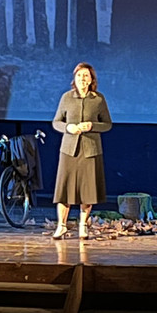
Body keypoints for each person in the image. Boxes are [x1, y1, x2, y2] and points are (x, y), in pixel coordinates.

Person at [51, 62, 112, 240]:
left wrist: (92, 125)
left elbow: (107, 124)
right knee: (64, 190)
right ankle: (61, 226)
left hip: (91, 150)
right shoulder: (66, 98)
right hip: (69, 150)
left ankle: (83, 225)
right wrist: (68, 128)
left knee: (88, 190)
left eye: (86, 76)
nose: (82, 79)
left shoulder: (98, 99)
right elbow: (56, 122)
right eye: (79, 75)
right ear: (74, 78)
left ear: (92, 79)